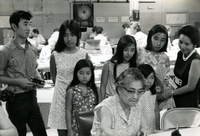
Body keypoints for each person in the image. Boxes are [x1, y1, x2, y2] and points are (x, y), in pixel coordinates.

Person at [0, 10, 47, 136]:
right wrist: (18, 81)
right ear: (14, 27)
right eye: (25, 24)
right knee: (18, 133)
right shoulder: (6, 51)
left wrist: (38, 80)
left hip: (32, 99)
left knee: (41, 133)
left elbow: (33, 73)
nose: (29, 28)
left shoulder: (32, 49)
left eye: (30, 24)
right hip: (16, 101)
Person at [48, 20, 90, 136]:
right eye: (65, 35)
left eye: (72, 35)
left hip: (80, 101)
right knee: (63, 133)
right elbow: (54, 78)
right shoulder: (55, 55)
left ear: (78, 36)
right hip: (60, 100)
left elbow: (88, 77)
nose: (69, 39)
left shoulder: (84, 54)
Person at [91, 68, 150, 136]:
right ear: (119, 90)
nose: (135, 97)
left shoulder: (137, 106)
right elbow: (105, 131)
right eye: (131, 91)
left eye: (139, 92)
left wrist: (144, 131)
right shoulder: (106, 107)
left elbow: (146, 128)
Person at [157, 25, 200, 108]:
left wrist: (171, 93)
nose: (182, 46)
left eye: (187, 44)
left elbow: (190, 87)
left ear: (194, 44)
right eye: (180, 42)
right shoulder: (180, 54)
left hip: (188, 101)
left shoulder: (196, 61)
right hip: (176, 97)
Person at [66, 59, 99, 136]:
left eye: (88, 73)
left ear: (92, 74)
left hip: (93, 126)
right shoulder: (71, 91)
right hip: (76, 126)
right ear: (76, 74)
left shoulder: (96, 90)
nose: (84, 76)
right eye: (81, 73)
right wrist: (69, 130)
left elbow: (99, 109)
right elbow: (68, 111)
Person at [138, 64, 175, 133]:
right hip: (141, 126)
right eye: (146, 78)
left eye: (152, 78)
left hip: (152, 125)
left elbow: (156, 111)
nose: (149, 81)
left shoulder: (152, 93)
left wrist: (158, 126)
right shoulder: (137, 94)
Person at [100, 35, 137, 100]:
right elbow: (103, 86)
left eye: (132, 50)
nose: (129, 53)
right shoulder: (109, 65)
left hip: (126, 102)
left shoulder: (134, 66)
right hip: (110, 101)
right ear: (120, 49)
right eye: (126, 50)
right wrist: (101, 103)